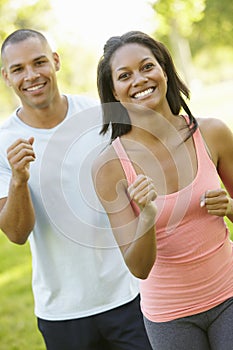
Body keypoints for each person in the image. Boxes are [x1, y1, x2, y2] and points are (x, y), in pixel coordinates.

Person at [0, 29, 153, 350]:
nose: (31, 75)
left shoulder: (101, 117)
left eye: (39, 62)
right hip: (62, 311)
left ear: (55, 61)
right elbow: (16, 233)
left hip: (128, 294)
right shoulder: (3, 142)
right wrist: (18, 179)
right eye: (18, 69)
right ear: (6, 77)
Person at [92, 30, 233, 350]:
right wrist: (147, 218)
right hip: (170, 316)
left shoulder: (212, 133)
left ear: (164, 69)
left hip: (229, 294)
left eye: (146, 66)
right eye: (124, 75)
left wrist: (229, 207)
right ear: (113, 91)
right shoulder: (110, 166)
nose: (139, 80)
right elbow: (139, 267)